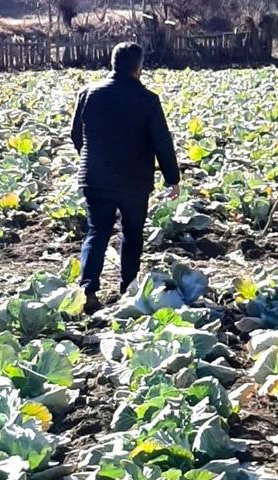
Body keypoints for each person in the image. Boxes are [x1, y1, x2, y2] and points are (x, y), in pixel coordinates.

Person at [71, 42, 181, 314]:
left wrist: (92, 158)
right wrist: (172, 178)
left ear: (112, 63)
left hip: (95, 177)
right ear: (138, 68)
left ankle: (88, 289)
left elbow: (76, 135)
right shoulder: (147, 99)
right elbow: (161, 142)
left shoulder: (88, 93)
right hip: (134, 180)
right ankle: (128, 288)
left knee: (97, 231)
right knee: (132, 233)